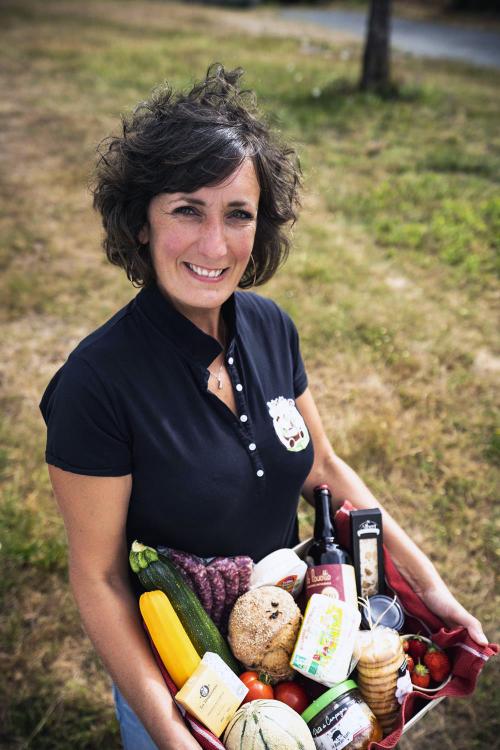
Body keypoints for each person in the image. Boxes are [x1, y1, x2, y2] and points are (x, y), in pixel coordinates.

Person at [39, 64, 487, 750]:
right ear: (141, 223)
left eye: (238, 214)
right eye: (187, 209)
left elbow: (324, 468)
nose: (215, 245)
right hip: (188, 679)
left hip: (297, 646)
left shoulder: (270, 325)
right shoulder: (95, 385)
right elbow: (99, 579)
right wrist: (171, 732)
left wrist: (434, 592)